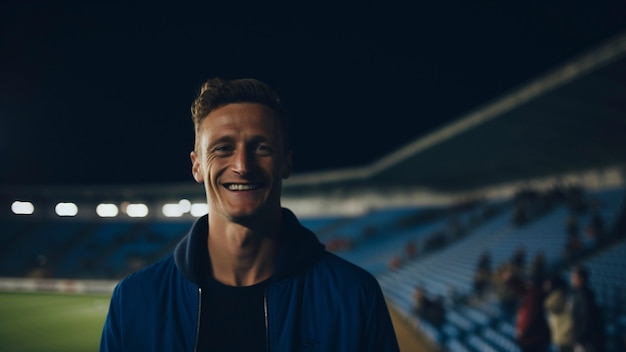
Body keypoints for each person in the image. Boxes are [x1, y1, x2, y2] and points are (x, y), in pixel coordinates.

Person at [100, 78, 400, 351]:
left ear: (286, 163)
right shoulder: (134, 299)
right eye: (223, 148)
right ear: (197, 165)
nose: (243, 166)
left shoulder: (354, 296)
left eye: (261, 147)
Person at [570, 266, 605, 352]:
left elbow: (586, 319)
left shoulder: (584, 295)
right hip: (584, 340)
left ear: (581, 278)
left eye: (574, 277)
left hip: (586, 342)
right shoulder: (580, 293)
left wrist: (578, 338)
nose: (572, 279)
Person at [543, 275, 574, 352]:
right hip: (562, 335)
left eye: (547, 284)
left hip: (564, 335)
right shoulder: (560, 295)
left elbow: (548, 305)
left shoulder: (557, 295)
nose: (545, 286)